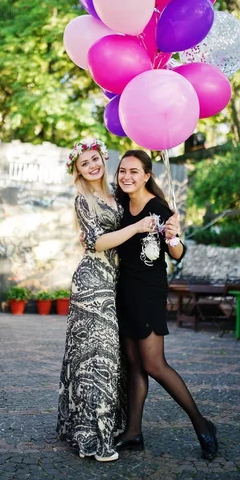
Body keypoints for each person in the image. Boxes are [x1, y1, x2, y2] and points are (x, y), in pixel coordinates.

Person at [113, 149, 218, 461]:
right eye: (122, 171)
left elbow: (177, 253)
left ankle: (202, 424)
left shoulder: (157, 208)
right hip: (125, 292)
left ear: (147, 175)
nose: (127, 177)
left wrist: (172, 237)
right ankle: (133, 433)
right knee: (133, 363)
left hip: (148, 293)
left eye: (134, 171)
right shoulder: (120, 205)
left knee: (154, 364)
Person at [56, 139, 155, 462]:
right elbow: (96, 242)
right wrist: (138, 227)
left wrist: (168, 222)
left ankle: (113, 424)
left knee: (116, 359)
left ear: (103, 158)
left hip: (117, 284)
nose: (92, 166)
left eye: (95, 159)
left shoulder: (117, 191)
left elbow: (144, 198)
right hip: (92, 284)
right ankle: (91, 436)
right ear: (78, 170)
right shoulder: (82, 200)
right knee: (95, 359)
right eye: (85, 163)